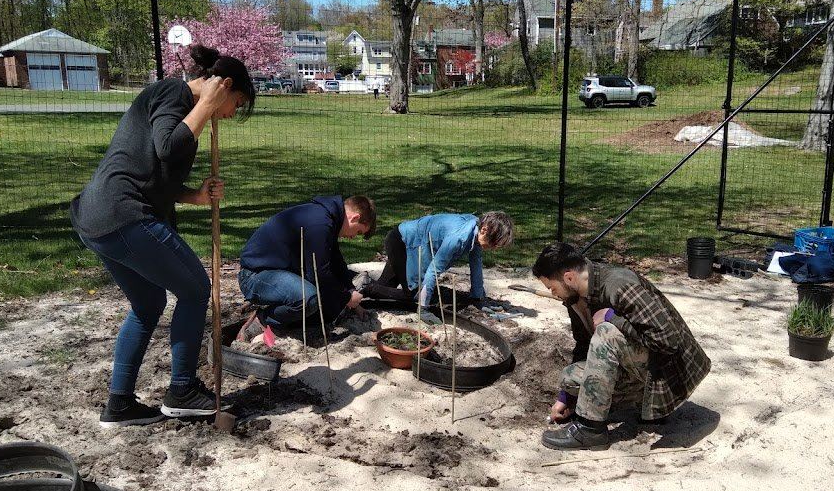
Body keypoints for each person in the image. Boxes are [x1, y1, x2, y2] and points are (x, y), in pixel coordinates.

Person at [71, 44, 256, 427]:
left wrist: (195, 196)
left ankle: (119, 405)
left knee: (148, 303)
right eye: (235, 102)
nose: (232, 112)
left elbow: (156, 176)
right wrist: (206, 106)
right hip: (121, 213)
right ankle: (182, 390)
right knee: (194, 288)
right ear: (223, 87)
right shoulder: (174, 92)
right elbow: (168, 149)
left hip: (101, 217)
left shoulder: (181, 106)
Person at [531, 243, 711, 451]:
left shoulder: (619, 284)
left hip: (670, 372)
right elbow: (583, 345)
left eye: (552, 288)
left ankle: (590, 430)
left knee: (606, 333)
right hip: (642, 364)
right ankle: (643, 405)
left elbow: (668, 340)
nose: (554, 294)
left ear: (569, 277)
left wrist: (613, 319)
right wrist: (566, 398)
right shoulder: (576, 298)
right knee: (569, 379)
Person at [237, 196, 376, 338]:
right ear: (354, 217)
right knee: (308, 299)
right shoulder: (320, 224)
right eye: (358, 232)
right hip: (255, 276)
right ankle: (264, 319)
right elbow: (319, 273)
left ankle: (284, 322)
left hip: (279, 272)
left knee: (330, 307)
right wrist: (346, 297)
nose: (353, 237)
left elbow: (336, 264)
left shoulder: (328, 220)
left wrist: (351, 295)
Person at [362, 211, 514, 308]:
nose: (494, 249)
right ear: (484, 230)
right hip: (402, 243)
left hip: (405, 240)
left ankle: (359, 285)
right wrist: (423, 306)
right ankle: (365, 284)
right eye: (494, 243)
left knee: (383, 288)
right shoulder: (458, 238)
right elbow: (434, 269)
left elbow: (476, 263)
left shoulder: (475, 229)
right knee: (413, 295)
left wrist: (477, 297)